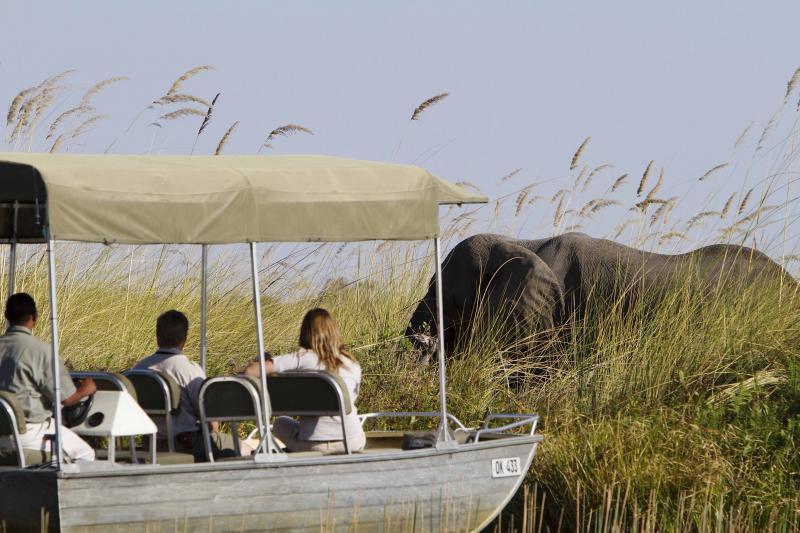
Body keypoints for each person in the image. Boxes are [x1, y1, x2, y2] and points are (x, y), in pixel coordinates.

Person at [134, 310, 250, 461]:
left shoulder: (138, 370)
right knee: (246, 449)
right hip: (186, 445)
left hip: (149, 443)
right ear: (184, 338)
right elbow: (210, 421)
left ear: (157, 335)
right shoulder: (189, 370)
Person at [246, 308, 366, 453]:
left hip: (312, 446)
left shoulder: (302, 358)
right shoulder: (352, 363)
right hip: (351, 442)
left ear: (306, 332)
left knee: (280, 423)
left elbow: (251, 371)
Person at [0, 293, 96, 462]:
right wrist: (86, 389)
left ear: (7, 316)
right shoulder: (42, 352)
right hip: (28, 433)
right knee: (85, 453)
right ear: (34, 318)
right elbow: (67, 399)